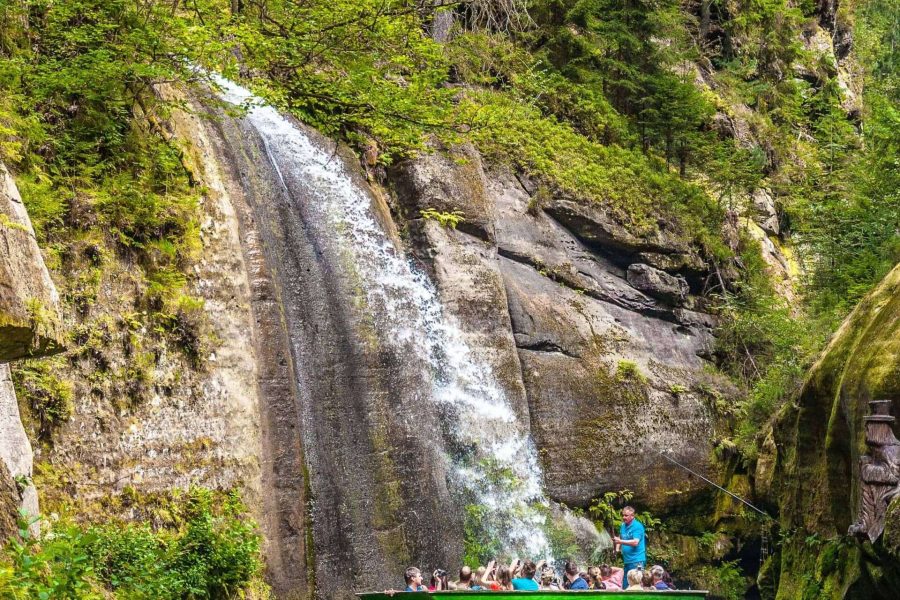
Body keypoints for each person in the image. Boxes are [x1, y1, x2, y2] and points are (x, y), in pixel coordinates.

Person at [613, 505, 646, 588]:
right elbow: (620, 537)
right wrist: (617, 549)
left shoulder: (637, 526)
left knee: (637, 584)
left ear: (632, 516)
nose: (624, 517)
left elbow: (635, 542)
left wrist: (620, 541)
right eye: (623, 515)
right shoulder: (623, 525)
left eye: (626, 515)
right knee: (625, 585)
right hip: (627, 561)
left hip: (637, 561)